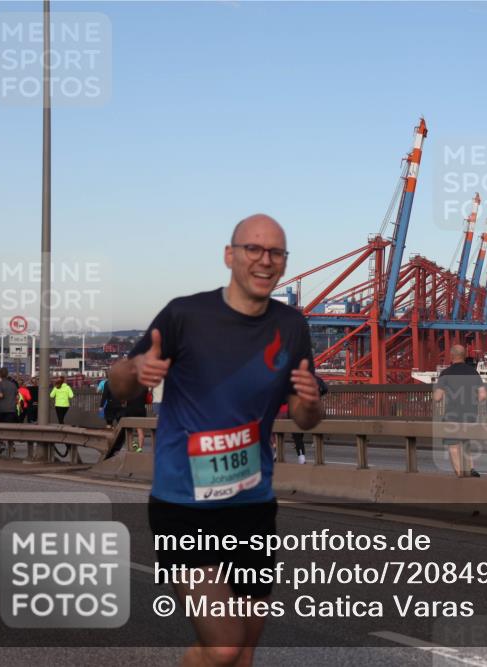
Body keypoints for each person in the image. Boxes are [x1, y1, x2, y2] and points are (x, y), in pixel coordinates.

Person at [109, 213, 321, 666]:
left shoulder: (292, 326)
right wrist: (134, 370)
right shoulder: (185, 315)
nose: (265, 261)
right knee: (224, 643)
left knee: (243, 644)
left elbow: (305, 418)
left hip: (252, 504)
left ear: (284, 262)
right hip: (184, 506)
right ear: (230, 255)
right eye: (253, 249)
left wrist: (309, 401)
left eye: (276, 252)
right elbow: (119, 385)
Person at [433, 344, 485, 478]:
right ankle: (471, 468)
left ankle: (460, 474)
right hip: (470, 414)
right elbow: (483, 395)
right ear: (464, 355)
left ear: (451, 356)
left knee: (453, 445)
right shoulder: (473, 372)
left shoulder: (446, 373)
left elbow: (437, 397)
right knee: (465, 441)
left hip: (452, 415)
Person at [121, 387, 149, 452]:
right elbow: (146, 399)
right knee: (140, 430)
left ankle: (133, 444)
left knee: (129, 430)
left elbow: (124, 401)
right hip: (141, 409)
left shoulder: (129, 387)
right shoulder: (144, 387)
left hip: (130, 409)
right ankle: (140, 448)